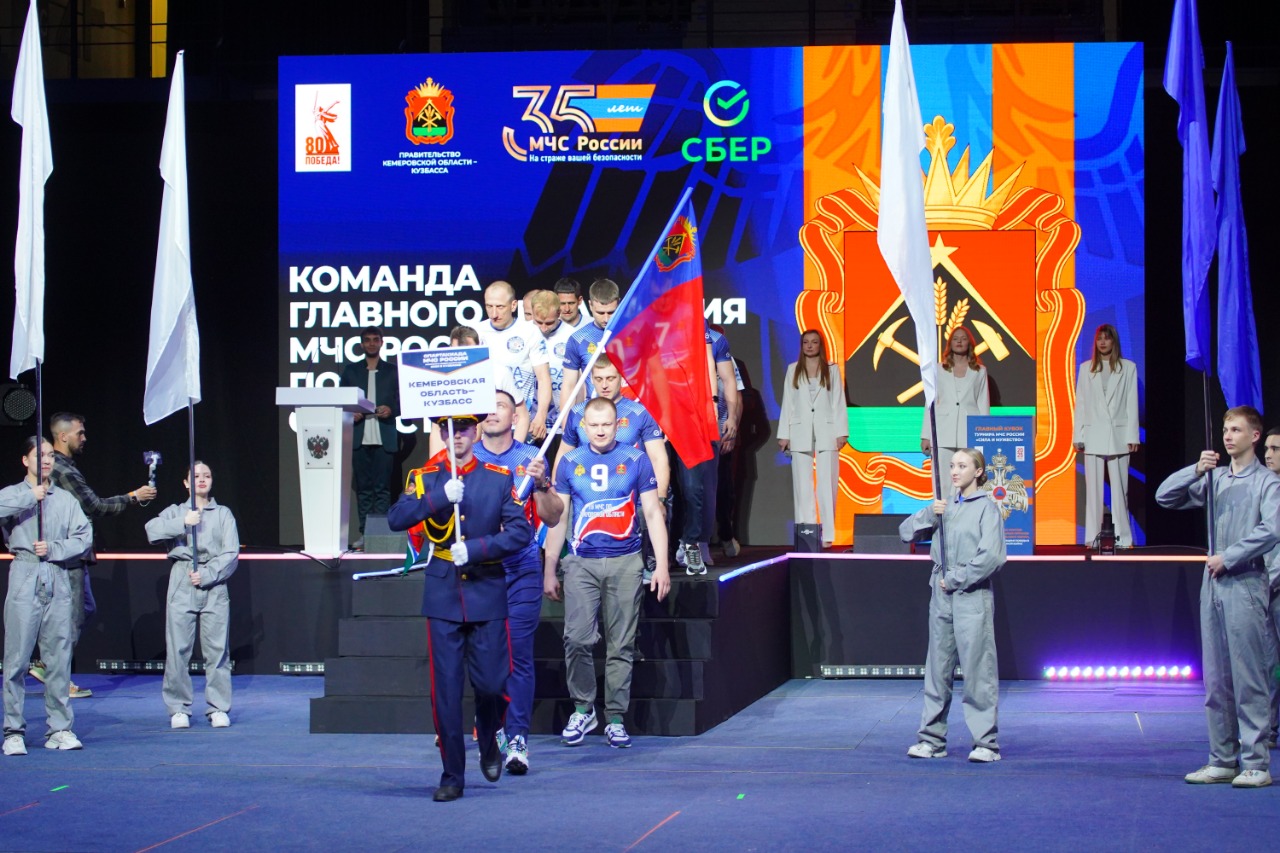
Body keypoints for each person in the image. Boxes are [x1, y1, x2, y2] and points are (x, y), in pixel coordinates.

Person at [389, 414, 532, 802]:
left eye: (464, 428)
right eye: (447, 429)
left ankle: (488, 736)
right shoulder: (424, 477)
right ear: (440, 433)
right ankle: (452, 774)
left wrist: (479, 548)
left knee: (492, 684)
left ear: (476, 431)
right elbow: (397, 518)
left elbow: (521, 532)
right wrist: (438, 498)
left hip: (486, 591)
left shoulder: (497, 478)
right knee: (446, 693)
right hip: (444, 594)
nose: (456, 437)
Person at [1157, 406, 1278, 788]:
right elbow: (1165, 496)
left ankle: (1256, 762)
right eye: (1226, 429)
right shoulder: (1215, 478)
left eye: (1236, 430)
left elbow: (1273, 529)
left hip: (1245, 580)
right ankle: (1222, 758)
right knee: (1216, 679)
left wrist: (1231, 555)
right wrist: (1195, 469)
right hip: (1212, 583)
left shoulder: (1267, 483)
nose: (1228, 436)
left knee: (1248, 677)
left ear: (1254, 436)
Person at [543, 396, 671, 749]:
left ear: (618, 426)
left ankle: (615, 717)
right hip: (581, 561)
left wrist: (661, 565)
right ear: (584, 427)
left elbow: (652, 513)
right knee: (577, 639)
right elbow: (558, 519)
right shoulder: (569, 462)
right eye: (594, 425)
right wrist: (549, 567)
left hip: (626, 561)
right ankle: (583, 709)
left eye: (607, 425)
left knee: (621, 644)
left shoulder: (636, 460)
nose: (600, 431)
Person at [473, 390, 564, 775]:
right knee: (484, 658)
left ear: (515, 417)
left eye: (501, 406)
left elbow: (554, 516)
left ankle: (517, 739)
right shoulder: (467, 458)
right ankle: (491, 726)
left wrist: (541, 485)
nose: (493, 413)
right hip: (479, 571)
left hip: (521, 569)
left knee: (518, 654)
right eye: (487, 407)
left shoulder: (532, 459)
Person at [40, 412, 157, 700]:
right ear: (63, 436)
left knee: (82, 609)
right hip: (67, 555)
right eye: (79, 433)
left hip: (70, 553)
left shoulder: (63, 468)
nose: (84, 438)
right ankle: (55, 674)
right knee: (72, 615)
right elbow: (94, 506)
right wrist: (133, 497)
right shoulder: (62, 470)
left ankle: (48, 665)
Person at [899, 448, 1006, 763]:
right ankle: (932, 740)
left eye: (962, 465)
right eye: (951, 465)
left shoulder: (987, 508)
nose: (955, 471)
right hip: (941, 595)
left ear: (978, 472)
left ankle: (986, 743)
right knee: (937, 669)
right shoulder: (944, 506)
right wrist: (929, 514)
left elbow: (993, 556)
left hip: (971, 594)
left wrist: (958, 578)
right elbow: (905, 532)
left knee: (978, 670)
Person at [2, 437, 92, 755]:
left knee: (58, 657)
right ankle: (13, 731)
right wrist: (30, 497)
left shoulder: (65, 499)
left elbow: (84, 536)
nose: (46, 460)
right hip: (25, 572)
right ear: (25, 460)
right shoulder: (13, 494)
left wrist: (55, 548)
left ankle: (60, 729)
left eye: (51, 455)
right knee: (16, 659)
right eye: (39, 455)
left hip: (57, 573)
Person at [144, 462, 240, 729]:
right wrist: (183, 522)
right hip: (182, 578)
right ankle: (178, 708)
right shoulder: (176, 511)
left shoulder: (223, 513)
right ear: (186, 483)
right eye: (196, 476)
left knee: (217, 649)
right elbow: (151, 530)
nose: (202, 479)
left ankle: (218, 707)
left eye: (207, 475)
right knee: (178, 648)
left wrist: (208, 574)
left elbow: (231, 553)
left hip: (214, 582)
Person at [778, 329, 847, 549]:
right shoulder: (793, 369)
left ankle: (828, 533)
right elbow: (788, 402)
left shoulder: (832, 369)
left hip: (827, 430)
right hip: (799, 430)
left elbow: (838, 401)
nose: (810, 346)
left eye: (814, 342)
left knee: (827, 483)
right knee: (802, 485)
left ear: (820, 345)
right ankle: (806, 534)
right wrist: (784, 435)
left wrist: (841, 432)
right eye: (806, 342)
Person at [1073, 324, 1140, 548]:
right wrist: (1078, 435)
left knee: (1120, 490)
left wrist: (1133, 436)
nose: (1102, 342)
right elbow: (1081, 404)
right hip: (1093, 434)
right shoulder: (1086, 369)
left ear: (1114, 341)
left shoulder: (1128, 368)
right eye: (1099, 338)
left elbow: (1131, 402)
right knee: (1093, 492)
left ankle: (1123, 538)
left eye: (1107, 338)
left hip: (1118, 435)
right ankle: (1092, 538)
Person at [339, 326, 401, 546]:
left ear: (382, 343)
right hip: (359, 437)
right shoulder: (351, 371)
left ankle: (380, 535)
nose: (372, 343)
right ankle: (365, 534)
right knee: (364, 489)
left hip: (384, 437)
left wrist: (392, 409)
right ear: (362, 344)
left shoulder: (393, 371)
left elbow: (403, 402)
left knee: (383, 489)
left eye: (376, 339)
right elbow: (341, 401)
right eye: (368, 340)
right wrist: (350, 412)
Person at [479, 281, 552, 442]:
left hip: (520, 424)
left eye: (500, 307)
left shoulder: (530, 331)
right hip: (486, 425)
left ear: (513, 305)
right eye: (489, 306)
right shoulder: (477, 333)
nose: (494, 313)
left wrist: (541, 415)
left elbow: (543, 378)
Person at [921, 327, 990, 497]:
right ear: (950, 343)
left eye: (963, 338)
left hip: (969, 431)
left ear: (970, 343)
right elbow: (930, 403)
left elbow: (983, 403)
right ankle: (943, 513)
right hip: (943, 431)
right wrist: (926, 435)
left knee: (967, 478)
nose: (959, 341)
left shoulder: (980, 371)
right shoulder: (938, 370)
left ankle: (965, 511)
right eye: (955, 338)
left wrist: (984, 435)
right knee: (943, 481)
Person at [529, 290, 576, 460]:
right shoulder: (526, 333)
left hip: (561, 423)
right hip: (532, 422)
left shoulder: (572, 336)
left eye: (548, 323)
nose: (543, 328)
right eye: (539, 322)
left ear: (559, 313)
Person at [560, 278, 621, 410]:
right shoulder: (578, 339)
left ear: (619, 304)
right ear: (590, 305)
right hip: (594, 413)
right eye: (600, 313)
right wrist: (565, 421)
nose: (606, 319)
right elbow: (569, 385)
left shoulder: (633, 334)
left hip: (630, 413)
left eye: (611, 312)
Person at [1264, 427, 1280, 749]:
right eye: (1266, 448)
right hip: (1264, 590)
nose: (1269, 454)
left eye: (1276, 449)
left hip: (1274, 586)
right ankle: (1268, 729)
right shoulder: (1263, 488)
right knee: (1270, 665)